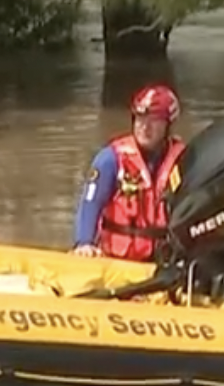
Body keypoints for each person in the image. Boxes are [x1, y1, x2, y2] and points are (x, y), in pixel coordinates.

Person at [71, 83, 185, 263]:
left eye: (154, 121)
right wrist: (84, 242)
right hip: (118, 260)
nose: (144, 127)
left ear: (168, 125)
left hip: (164, 261)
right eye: (140, 119)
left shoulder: (183, 160)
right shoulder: (111, 159)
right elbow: (90, 202)